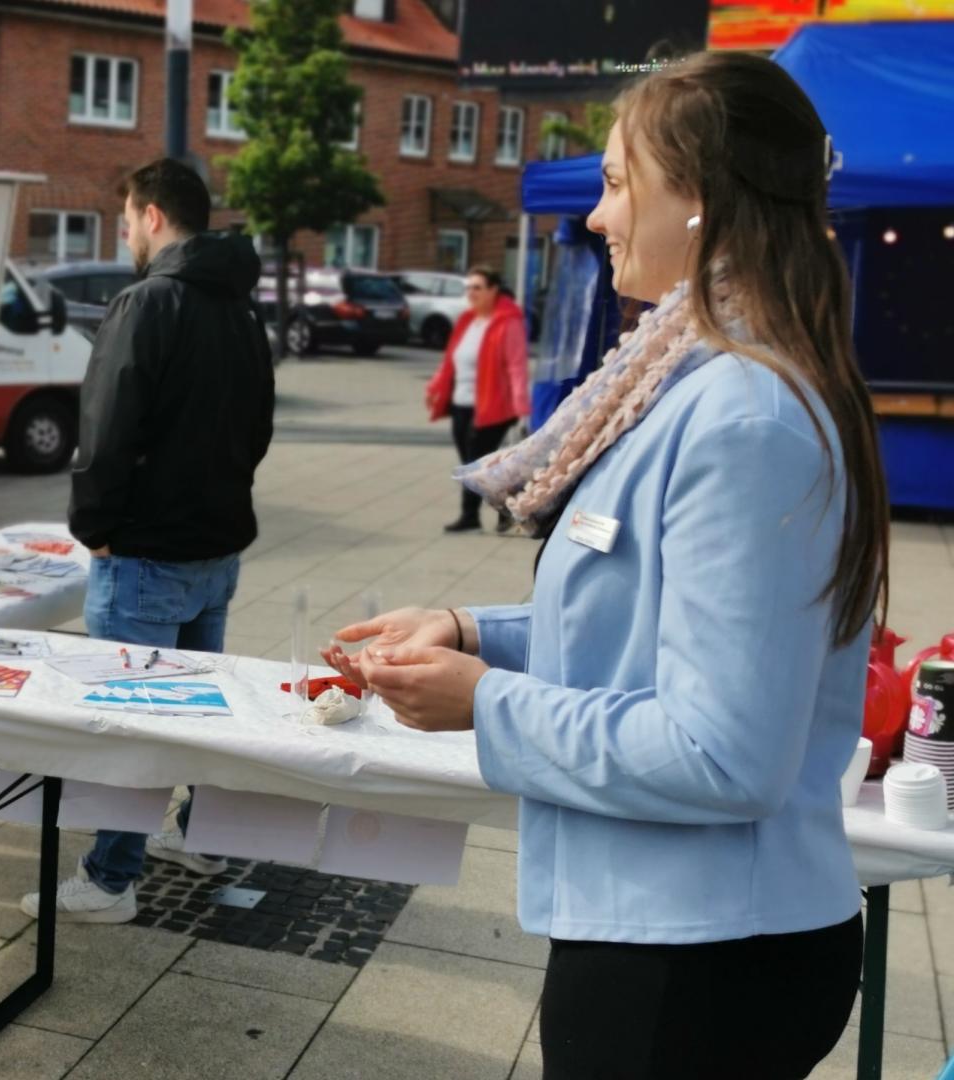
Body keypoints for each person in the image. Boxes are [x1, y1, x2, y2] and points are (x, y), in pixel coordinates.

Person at [325, 51, 884, 1079]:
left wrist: (484, 701)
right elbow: (652, 624)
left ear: (703, 199)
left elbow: (722, 754)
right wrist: (472, 632)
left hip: (700, 956)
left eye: (619, 183)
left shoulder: (744, 417)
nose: (595, 216)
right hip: (676, 931)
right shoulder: (692, 381)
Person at [26, 158, 274, 923]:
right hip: (215, 546)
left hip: (145, 553)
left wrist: (95, 526)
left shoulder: (147, 301)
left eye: (128, 218)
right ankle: (201, 835)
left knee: (131, 720)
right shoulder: (239, 307)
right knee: (195, 709)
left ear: (153, 216)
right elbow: (258, 428)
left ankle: (110, 879)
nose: (126, 232)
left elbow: (105, 427)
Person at [425, 265, 528, 533]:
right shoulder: (467, 321)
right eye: (469, 288)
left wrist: (521, 408)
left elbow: (516, 367)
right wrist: (434, 386)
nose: (471, 293)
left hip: (493, 407)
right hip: (461, 404)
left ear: (493, 290)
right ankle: (507, 509)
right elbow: (450, 360)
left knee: (475, 465)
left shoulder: (508, 322)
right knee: (476, 466)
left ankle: (470, 516)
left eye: (478, 288)